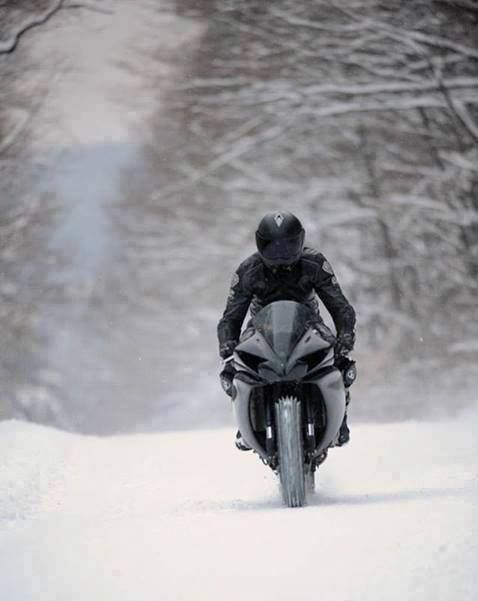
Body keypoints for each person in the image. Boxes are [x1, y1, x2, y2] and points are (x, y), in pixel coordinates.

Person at [217, 211, 356, 450]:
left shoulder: (315, 263)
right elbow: (231, 316)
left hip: (309, 325)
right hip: (262, 330)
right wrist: (227, 344)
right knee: (233, 368)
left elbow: (339, 304)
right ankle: (246, 425)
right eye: (273, 247)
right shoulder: (247, 270)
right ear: (260, 244)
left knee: (341, 361)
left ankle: (340, 420)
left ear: (300, 242)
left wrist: (345, 334)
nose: (280, 255)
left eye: (288, 246)